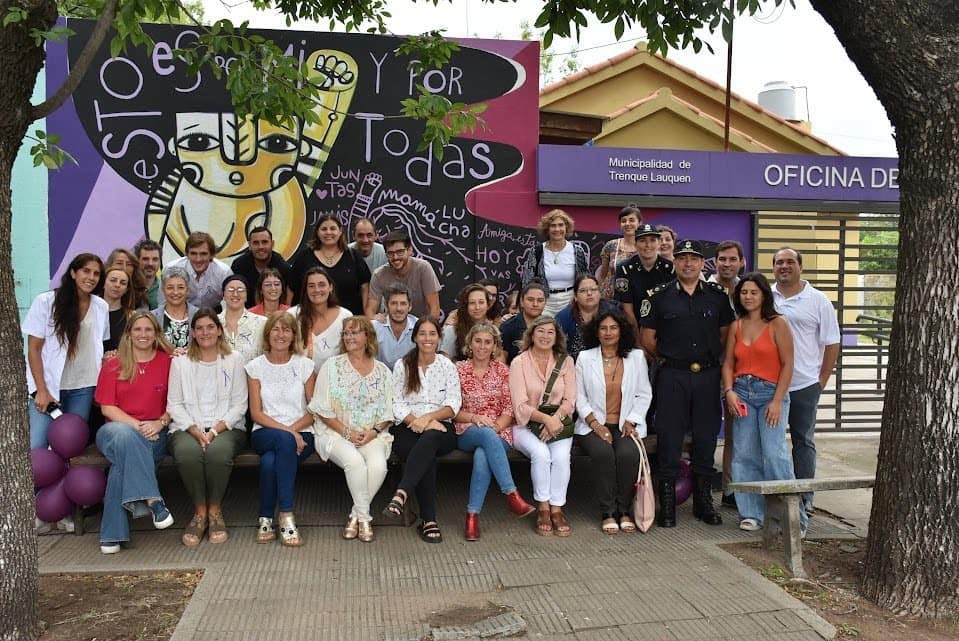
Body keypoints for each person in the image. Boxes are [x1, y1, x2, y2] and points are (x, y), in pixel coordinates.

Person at [639, 240, 734, 528]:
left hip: (707, 376)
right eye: (683, 259)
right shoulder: (659, 296)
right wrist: (673, 360)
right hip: (672, 376)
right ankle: (667, 505)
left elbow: (726, 335)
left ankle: (704, 503)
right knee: (669, 438)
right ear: (675, 263)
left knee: (705, 438)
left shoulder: (717, 296)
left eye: (694, 259)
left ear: (702, 263)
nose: (688, 264)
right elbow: (648, 340)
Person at [721, 272, 805, 533]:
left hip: (770, 393)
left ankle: (795, 519)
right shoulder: (737, 325)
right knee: (744, 455)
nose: (748, 296)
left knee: (775, 455)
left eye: (753, 292)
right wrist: (729, 392)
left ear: (764, 295)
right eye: (744, 292)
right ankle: (751, 514)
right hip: (742, 394)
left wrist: (778, 400)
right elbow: (728, 364)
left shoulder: (778, 323)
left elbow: (788, 364)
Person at [94, 312, 175, 554]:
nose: (143, 334)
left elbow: (177, 402)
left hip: (156, 432)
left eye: (148, 330)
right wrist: (139, 427)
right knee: (128, 438)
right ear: (128, 334)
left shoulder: (168, 362)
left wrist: (161, 423)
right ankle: (153, 501)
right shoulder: (114, 365)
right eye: (137, 329)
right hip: (116, 430)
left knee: (121, 466)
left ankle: (112, 535)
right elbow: (107, 407)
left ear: (156, 334)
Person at [309, 316, 394, 543]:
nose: (349, 337)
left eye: (355, 332)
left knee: (378, 466)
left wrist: (373, 433)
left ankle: (354, 516)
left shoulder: (383, 371)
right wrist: (347, 433)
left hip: (372, 433)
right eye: (346, 333)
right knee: (354, 462)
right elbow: (322, 410)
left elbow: (388, 411)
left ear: (368, 337)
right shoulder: (332, 366)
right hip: (335, 433)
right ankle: (365, 519)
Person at [167, 310, 248, 546]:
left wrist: (213, 431)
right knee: (187, 453)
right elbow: (175, 404)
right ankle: (200, 511)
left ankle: (215, 510)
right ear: (192, 332)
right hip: (187, 426)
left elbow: (239, 404)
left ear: (219, 330)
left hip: (226, 427)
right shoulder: (180, 363)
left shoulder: (234, 359)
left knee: (218, 453)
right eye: (200, 328)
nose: (205, 332)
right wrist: (194, 430)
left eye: (210, 327)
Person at [772, 247, 841, 516]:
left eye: (790, 262)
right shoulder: (767, 297)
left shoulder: (818, 300)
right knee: (772, 444)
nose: (784, 266)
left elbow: (832, 343)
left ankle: (804, 497)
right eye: (779, 262)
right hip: (770, 384)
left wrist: (821, 379)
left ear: (800, 266)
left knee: (803, 441)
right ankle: (776, 497)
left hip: (803, 385)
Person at [381, 317, 461, 544]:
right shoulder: (402, 365)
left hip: (440, 427)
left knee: (431, 439)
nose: (427, 338)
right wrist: (415, 421)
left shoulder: (447, 366)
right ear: (415, 337)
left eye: (432, 334)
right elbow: (396, 402)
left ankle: (401, 493)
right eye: (423, 334)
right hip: (407, 426)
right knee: (426, 453)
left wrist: (428, 419)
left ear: (439, 338)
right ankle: (429, 520)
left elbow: (453, 404)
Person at [454, 323, 535, 541]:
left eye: (487, 342)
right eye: (478, 341)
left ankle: (472, 517)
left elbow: (510, 407)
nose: (482, 346)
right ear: (469, 343)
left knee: (483, 454)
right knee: (485, 438)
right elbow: (452, 409)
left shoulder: (503, 371)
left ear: (495, 346)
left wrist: (496, 427)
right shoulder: (458, 370)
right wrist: (475, 418)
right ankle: (511, 494)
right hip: (467, 429)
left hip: (500, 430)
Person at [575, 309, 652, 534]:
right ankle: (607, 511)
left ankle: (624, 510)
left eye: (613, 328)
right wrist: (596, 425)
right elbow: (579, 397)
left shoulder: (636, 357)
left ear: (621, 331)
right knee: (603, 454)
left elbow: (644, 393)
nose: (608, 332)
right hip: (592, 424)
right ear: (596, 332)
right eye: (603, 328)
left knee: (628, 454)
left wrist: (633, 420)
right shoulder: (585, 358)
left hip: (626, 423)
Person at [245, 312, 317, 547]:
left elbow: (313, 410)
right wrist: (288, 433)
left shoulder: (305, 365)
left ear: (294, 335)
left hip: (303, 433)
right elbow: (256, 413)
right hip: (265, 431)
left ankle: (265, 517)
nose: (281, 334)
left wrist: (292, 431)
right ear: (267, 334)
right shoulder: (255, 367)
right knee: (283, 442)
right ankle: (286, 514)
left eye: (286, 330)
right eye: (275, 329)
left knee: (269, 462)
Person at [25, 253, 109, 451]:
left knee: (70, 448)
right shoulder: (46, 302)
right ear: (73, 272)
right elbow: (33, 349)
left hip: (84, 388)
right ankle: (36, 484)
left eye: (96, 274)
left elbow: (98, 349)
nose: (91, 277)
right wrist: (42, 391)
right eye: (86, 271)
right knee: (37, 445)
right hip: (49, 387)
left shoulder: (101, 306)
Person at [509, 316, 576, 537]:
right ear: (532, 334)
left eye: (550, 332)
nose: (545, 336)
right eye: (541, 331)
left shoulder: (566, 361)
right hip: (526, 426)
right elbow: (519, 404)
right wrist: (545, 420)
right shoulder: (519, 362)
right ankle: (544, 508)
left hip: (558, 423)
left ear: (557, 336)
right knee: (540, 454)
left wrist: (555, 419)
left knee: (561, 457)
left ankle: (557, 508)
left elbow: (570, 399)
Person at [708, 240, 746, 509]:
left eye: (733, 259)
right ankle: (704, 484)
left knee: (737, 432)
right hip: (709, 370)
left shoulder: (748, 291)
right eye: (722, 259)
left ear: (741, 262)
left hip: (741, 372)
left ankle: (732, 489)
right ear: (716, 262)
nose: (727, 264)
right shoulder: (704, 289)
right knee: (707, 430)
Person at [290, 214, 370, 314]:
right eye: (324, 229)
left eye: (333, 228)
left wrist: (366, 315)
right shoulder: (304, 258)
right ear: (317, 232)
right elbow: (291, 289)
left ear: (340, 231)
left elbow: (365, 287)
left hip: (350, 323)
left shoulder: (353, 257)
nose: (328, 232)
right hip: (311, 320)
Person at [521, 209, 588, 317]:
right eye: (553, 225)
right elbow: (527, 281)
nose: (557, 229)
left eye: (561, 225)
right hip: (544, 302)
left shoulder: (577, 251)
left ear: (566, 228)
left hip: (571, 302)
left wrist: (577, 300)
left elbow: (584, 279)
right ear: (547, 229)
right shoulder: (536, 251)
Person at [614, 224, 674, 337]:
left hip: (666, 328)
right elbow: (627, 310)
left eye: (653, 240)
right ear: (635, 244)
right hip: (634, 327)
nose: (648, 245)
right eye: (642, 240)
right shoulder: (624, 269)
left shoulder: (671, 269)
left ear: (658, 243)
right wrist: (638, 341)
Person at [365, 231, 442, 320]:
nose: (395, 257)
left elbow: (434, 308)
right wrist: (375, 318)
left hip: (420, 325)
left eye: (400, 252)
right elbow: (370, 311)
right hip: (392, 326)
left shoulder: (423, 268)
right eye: (390, 253)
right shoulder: (379, 275)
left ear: (410, 250)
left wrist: (424, 330)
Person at [290, 266, 352, 373]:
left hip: (333, 382)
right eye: (311, 286)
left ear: (330, 287)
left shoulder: (345, 317)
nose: (317, 290)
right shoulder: (292, 315)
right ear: (306, 290)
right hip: (297, 382)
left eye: (321, 285)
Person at [157, 231, 233, 310]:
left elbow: (232, 301)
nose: (198, 259)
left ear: (211, 255)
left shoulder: (224, 272)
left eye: (203, 254)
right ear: (187, 254)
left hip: (213, 312)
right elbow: (162, 303)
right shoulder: (171, 269)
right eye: (193, 253)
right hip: (179, 312)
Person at [555, 273, 616, 360]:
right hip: (573, 365)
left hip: (608, 361)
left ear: (599, 293)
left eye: (593, 289)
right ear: (575, 296)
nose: (589, 293)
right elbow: (557, 347)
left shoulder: (612, 312)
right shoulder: (564, 317)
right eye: (583, 290)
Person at [230, 226, 294, 308]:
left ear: (272, 244)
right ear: (249, 245)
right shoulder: (239, 266)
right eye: (256, 243)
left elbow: (288, 298)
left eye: (264, 242)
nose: (260, 247)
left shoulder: (283, 268)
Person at [218, 274, 266, 364]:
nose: (235, 294)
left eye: (240, 290)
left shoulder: (262, 323)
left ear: (247, 295)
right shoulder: (213, 323)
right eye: (230, 290)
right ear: (223, 295)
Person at [598, 204, 642, 299]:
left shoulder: (645, 247)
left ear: (639, 223)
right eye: (623, 221)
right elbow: (603, 275)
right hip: (611, 300)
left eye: (631, 220)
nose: (627, 224)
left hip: (636, 299)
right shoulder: (611, 246)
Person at [498, 281, 548, 364]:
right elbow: (501, 362)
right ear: (521, 301)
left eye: (540, 300)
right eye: (530, 300)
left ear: (545, 302)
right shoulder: (507, 327)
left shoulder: (551, 327)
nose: (535, 304)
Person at [151, 267, 198, 352]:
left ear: (188, 290)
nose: (175, 292)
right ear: (163, 290)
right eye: (170, 287)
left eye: (180, 287)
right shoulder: (152, 317)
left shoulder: (199, 315)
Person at [440, 283, 492, 360]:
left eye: (481, 302)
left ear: (488, 305)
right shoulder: (452, 330)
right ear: (465, 305)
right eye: (472, 303)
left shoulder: (492, 329)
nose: (477, 307)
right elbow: (443, 364)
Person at [373, 283, 418, 369]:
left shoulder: (419, 327)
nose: (398, 309)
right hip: (381, 379)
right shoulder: (374, 327)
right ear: (386, 305)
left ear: (410, 306)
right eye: (394, 303)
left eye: (403, 303)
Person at [101, 263, 138, 357]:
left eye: (123, 283)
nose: (117, 285)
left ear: (126, 289)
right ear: (103, 283)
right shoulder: (89, 311)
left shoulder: (132, 317)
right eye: (113, 280)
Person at [134, 239, 163, 310]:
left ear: (160, 262)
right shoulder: (127, 287)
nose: (150, 263)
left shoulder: (165, 290)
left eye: (155, 259)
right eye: (145, 259)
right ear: (137, 260)